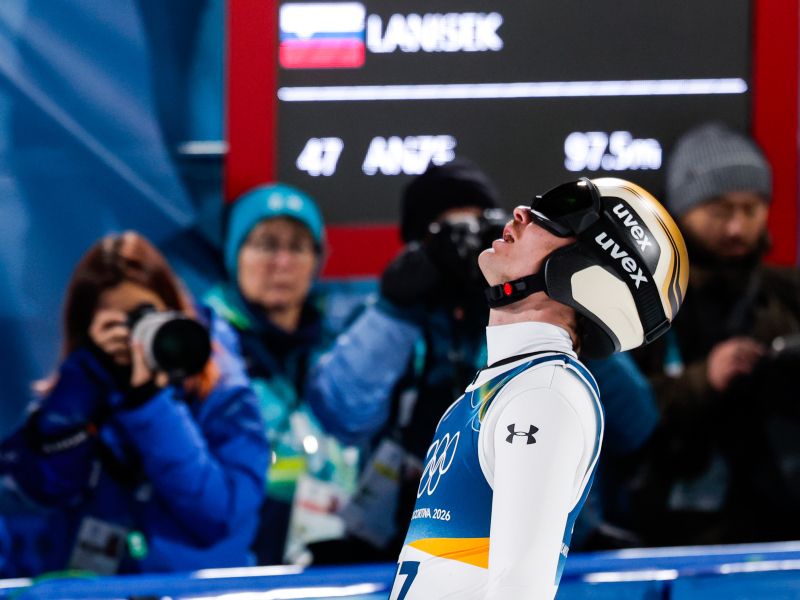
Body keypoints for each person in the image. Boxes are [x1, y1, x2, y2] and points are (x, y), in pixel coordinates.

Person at [307, 162, 662, 564]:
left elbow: (639, 421)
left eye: (477, 227)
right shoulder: (393, 316)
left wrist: (553, 317)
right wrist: (395, 309)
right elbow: (340, 416)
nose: (464, 247)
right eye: (443, 235)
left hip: (550, 550)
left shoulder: (548, 306)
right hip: (409, 548)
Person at [388, 177, 688, 599]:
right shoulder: (504, 387)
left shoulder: (543, 394)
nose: (521, 214)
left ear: (591, 273)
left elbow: (519, 592)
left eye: (557, 219)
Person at [0, 231, 269, 576]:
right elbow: (38, 492)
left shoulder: (228, 399)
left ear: (175, 312)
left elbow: (218, 516)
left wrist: (151, 405)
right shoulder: (76, 395)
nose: (133, 338)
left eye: (144, 317)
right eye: (115, 323)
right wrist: (79, 389)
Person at [632, 122, 800, 545]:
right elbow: (617, 416)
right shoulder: (641, 301)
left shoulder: (785, 294)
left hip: (782, 522)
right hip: (673, 530)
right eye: (720, 210)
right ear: (682, 211)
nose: (737, 228)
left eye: (751, 208)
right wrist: (703, 380)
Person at [204, 183, 360, 565]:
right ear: (234, 255)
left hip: (331, 555)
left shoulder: (341, 345)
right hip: (228, 559)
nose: (282, 262)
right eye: (266, 244)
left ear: (316, 260)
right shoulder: (202, 346)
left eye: (297, 247)